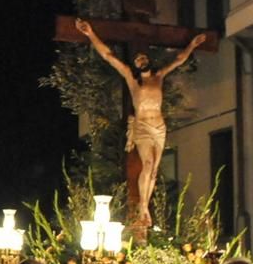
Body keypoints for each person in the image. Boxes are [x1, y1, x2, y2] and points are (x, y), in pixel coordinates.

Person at [74, 18, 206, 226]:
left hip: (159, 127)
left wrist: (193, 44)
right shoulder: (132, 80)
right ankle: (144, 207)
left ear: (148, 61)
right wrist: (90, 33)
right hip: (143, 126)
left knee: (154, 169)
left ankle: (145, 206)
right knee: (147, 163)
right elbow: (109, 56)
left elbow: (179, 60)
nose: (141, 60)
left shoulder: (159, 77)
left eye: (143, 58)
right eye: (137, 60)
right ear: (134, 66)